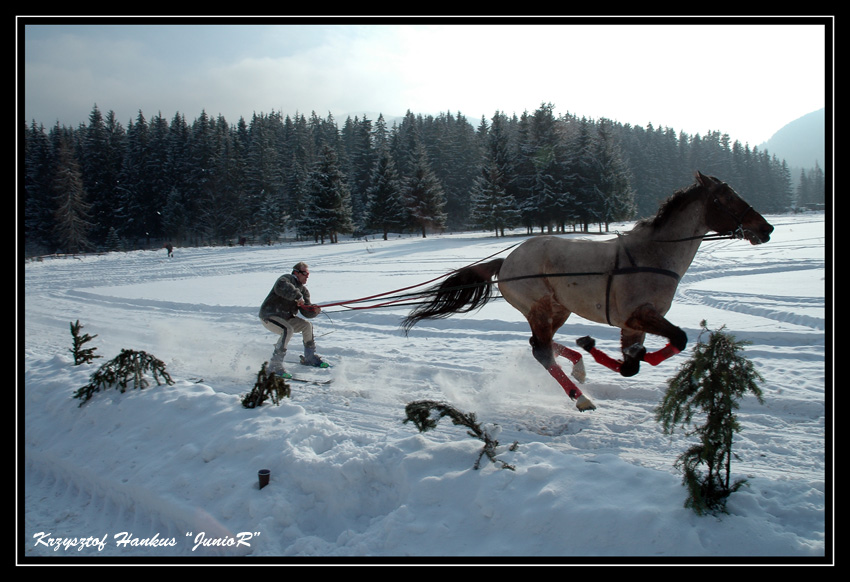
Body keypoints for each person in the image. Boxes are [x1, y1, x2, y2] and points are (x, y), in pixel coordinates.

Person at [259, 262, 327, 376]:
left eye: (308, 274)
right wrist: (297, 296)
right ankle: (275, 365)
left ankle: (309, 357)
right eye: (305, 273)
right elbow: (282, 287)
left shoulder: (304, 291)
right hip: (270, 315)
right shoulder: (286, 279)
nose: (307, 276)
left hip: (286, 318)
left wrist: (313, 311)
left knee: (307, 326)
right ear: (296, 272)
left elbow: (305, 311)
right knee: (288, 330)